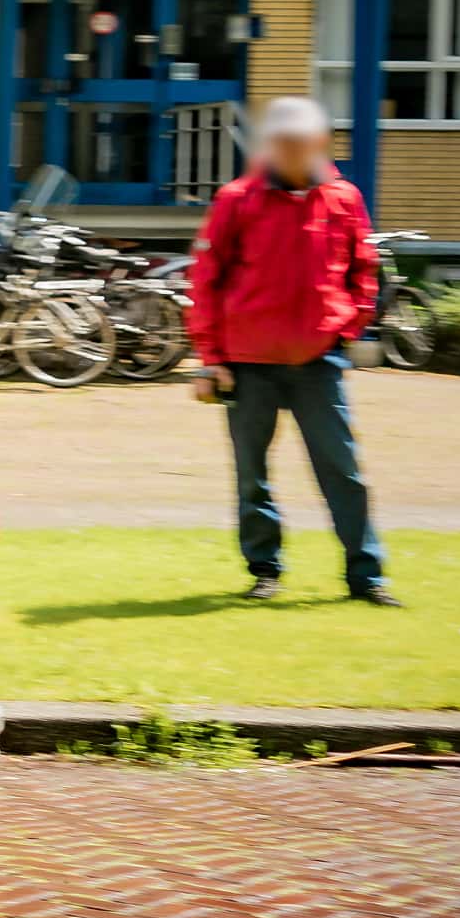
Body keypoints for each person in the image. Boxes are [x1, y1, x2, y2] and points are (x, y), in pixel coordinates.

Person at [185, 95, 392, 604]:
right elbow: (207, 280)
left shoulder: (344, 198)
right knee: (252, 473)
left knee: (344, 471)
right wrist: (211, 357)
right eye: (283, 143)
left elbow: (364, 269)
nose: (292, 152)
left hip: (317, 360)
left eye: (301, 143)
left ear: (319, 143)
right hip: (247, 363)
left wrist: (346, 325)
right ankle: (265, 570)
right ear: (271, 145)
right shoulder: (237, 199)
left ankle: (367, 578)